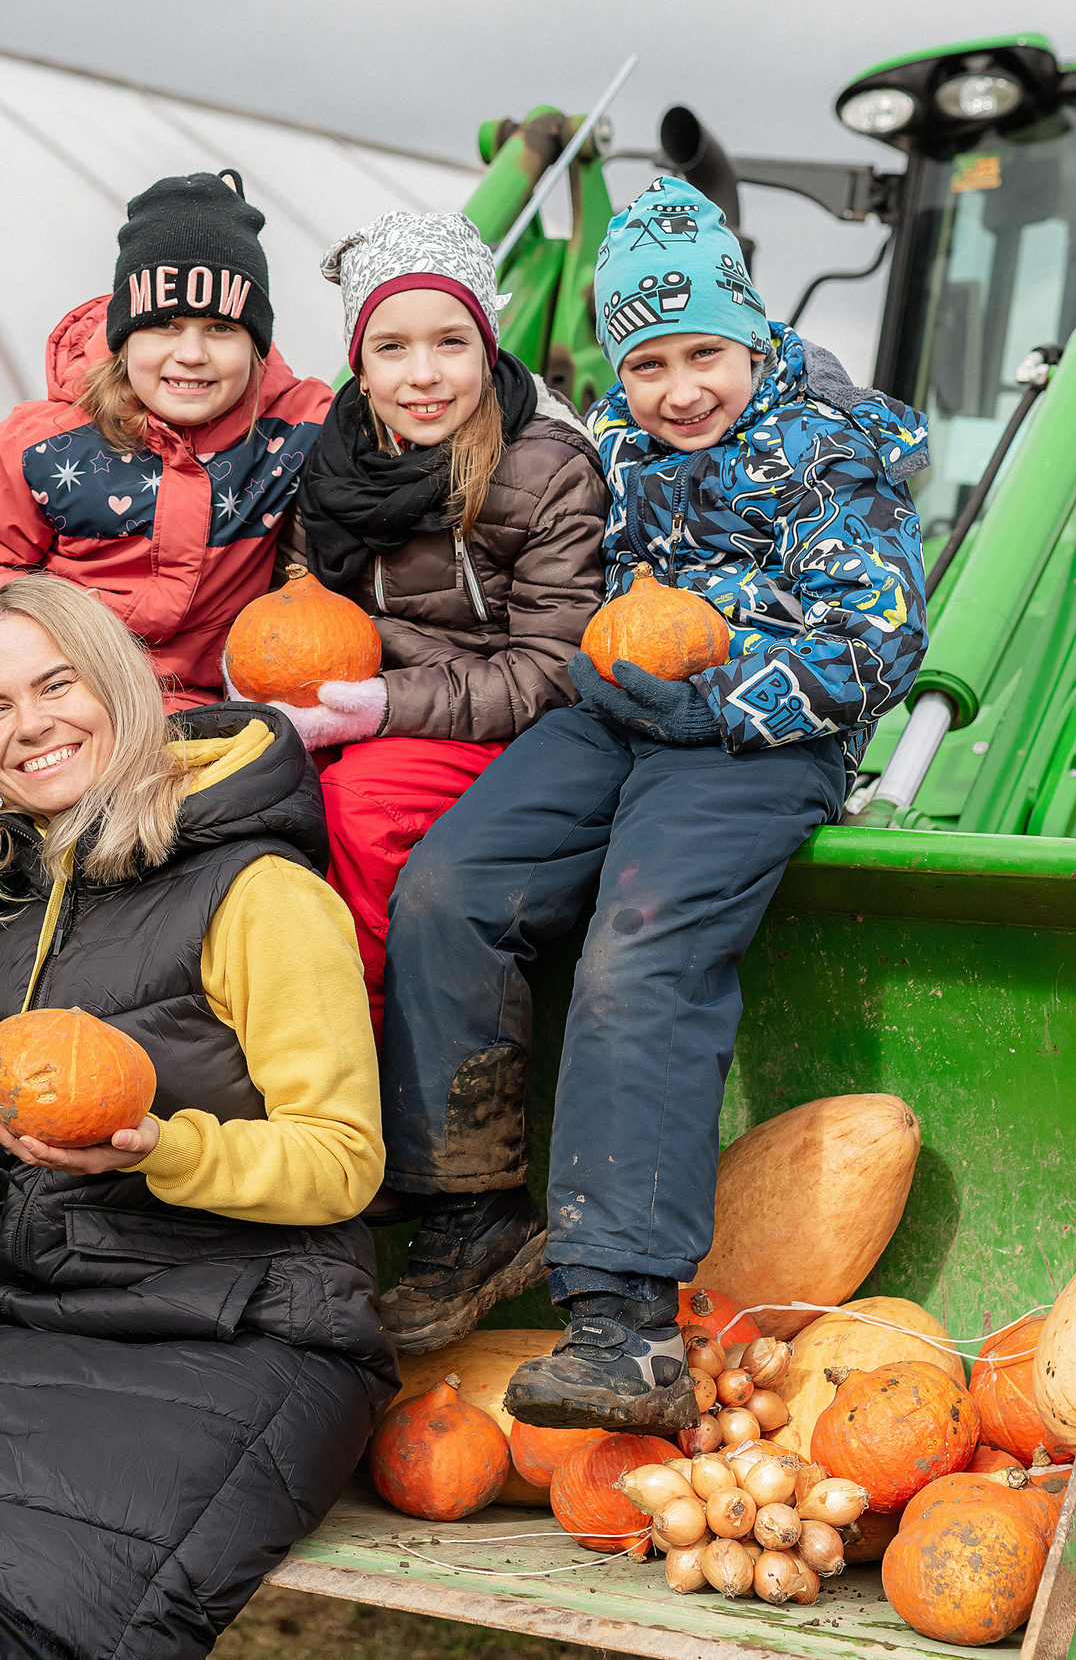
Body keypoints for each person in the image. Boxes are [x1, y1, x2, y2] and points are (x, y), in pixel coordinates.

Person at [375, 178, 931, 1433]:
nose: (680, 389)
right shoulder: (613, 450)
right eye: (647, 364)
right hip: (615, 708)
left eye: (703, 356)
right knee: (453, 886)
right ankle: (470, 1208)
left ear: (751, 334)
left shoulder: (824, 444)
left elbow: (878, 638)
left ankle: (622, 1321)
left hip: (760, 734)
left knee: (639, 944)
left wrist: (717, 692)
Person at [0, 574, 395, 1660]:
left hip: (251, 1327)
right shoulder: (14, 912)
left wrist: (166, 1146)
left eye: (55, 684)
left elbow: (342, 1158)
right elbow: (10, 1137)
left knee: (17, 1606)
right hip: (56, 1311)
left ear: (118, 684)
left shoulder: (257, 890)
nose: (29, 725)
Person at [242, 212, 605, 1028]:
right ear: (360, 366)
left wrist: (380, 705)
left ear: (487, 347)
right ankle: (257, 1033)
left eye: (451, 342)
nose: (424, 374)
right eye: (393, 347)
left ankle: (363, 1037)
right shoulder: (331, 465)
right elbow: (293, 600)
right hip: (369, 711)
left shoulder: (546, 468)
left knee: (362, 806)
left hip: (508, 732)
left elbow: (554, 669)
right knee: (247, 805)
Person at [0, 170, 332, 710]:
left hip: (218, 708)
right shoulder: (46, 444)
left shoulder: (296, 429)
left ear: (256, 342)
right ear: (123, 335)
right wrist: (59, 634)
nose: (191, 353)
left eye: (220, 328)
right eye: (164, 325)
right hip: (74, 697)